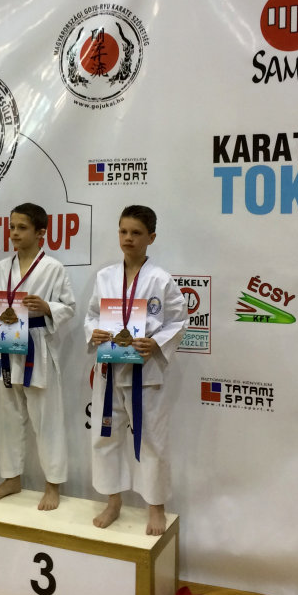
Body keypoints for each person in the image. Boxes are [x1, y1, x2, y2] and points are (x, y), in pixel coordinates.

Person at [85, 204, 188, 535]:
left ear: (151, 237)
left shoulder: (161, 279)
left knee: (152, 440)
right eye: (123, 231)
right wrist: (93, 332)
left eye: (136, 233)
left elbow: (179, 321)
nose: (128, 238)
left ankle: (155, 508)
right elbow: (91, 316)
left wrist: (156, 342)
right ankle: (113, 501)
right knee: (106, 436)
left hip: (145, 373)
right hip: (110, 368)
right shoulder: (105, 277)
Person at [0, 203, 75, 510]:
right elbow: (1, 308)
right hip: (7, 342)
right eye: (11, 227)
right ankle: (11, 478)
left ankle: (53, 484)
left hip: (38, 347)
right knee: (8, 416)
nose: (14, 233)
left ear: (40, 232)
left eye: (22, 227)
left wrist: (47, 307)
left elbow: (69, 307)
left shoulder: (53, 268)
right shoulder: (0, 268)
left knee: (47, 419)